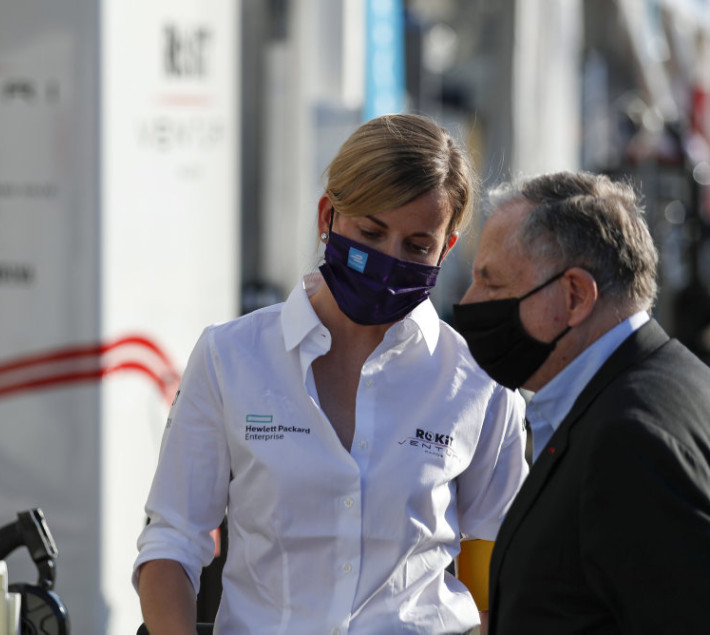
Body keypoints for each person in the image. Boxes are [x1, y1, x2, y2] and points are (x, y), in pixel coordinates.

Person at [133, 113, 529, 634]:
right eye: (371, 232)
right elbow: (171, 543)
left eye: (417, 246)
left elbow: (503, 574)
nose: (389, 259)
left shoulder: (480, 383)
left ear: (447, 248)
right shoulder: (230, 356)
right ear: (328, 216)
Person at [453, 170, 710, 633]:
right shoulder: (669, 382)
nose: (469, 303)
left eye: (492, 285)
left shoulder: (629, 442)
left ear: (574, 296)